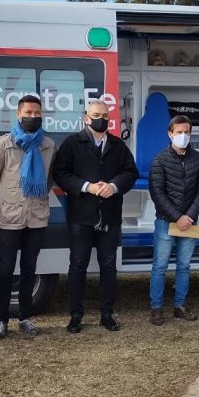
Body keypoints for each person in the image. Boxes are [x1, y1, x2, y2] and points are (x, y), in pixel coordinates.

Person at [52, 100, 138, 333]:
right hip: (81, 216)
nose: (101, 119)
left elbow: (131, 172)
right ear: (86, 118)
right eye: (96, 114)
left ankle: (107, 314)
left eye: (105, 115)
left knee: (108, 266)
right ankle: (76, 316)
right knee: (78, 265)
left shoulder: (118, 146)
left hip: (110, 215)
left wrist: (114, 186)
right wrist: (86, 186)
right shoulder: (71, 143)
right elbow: (60, 173)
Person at [0, 95, 55, 338]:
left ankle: (25, 318)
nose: (32, 117)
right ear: (18, 114)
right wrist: (9, 197)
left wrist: (35, 196)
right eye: (28, 113)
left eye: (37, 113)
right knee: (5, 270)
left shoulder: (48, 145)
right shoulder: (4, 144)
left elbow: (48, 180)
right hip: (9, 216)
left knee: (29, 268)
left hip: (36, 217)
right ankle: (2, 320)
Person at [147, 115, 199, 325]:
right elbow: (157, 193)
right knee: (160, 266)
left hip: (189, 223)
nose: (183, 136)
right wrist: (177, 217)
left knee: (184, 266)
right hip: (166, 221)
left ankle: (180, 306)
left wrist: (189, 216)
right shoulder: (159, 160)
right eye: (179, 132)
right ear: (170, 134)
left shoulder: (198, 159)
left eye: (186, 132)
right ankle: (157, 309)